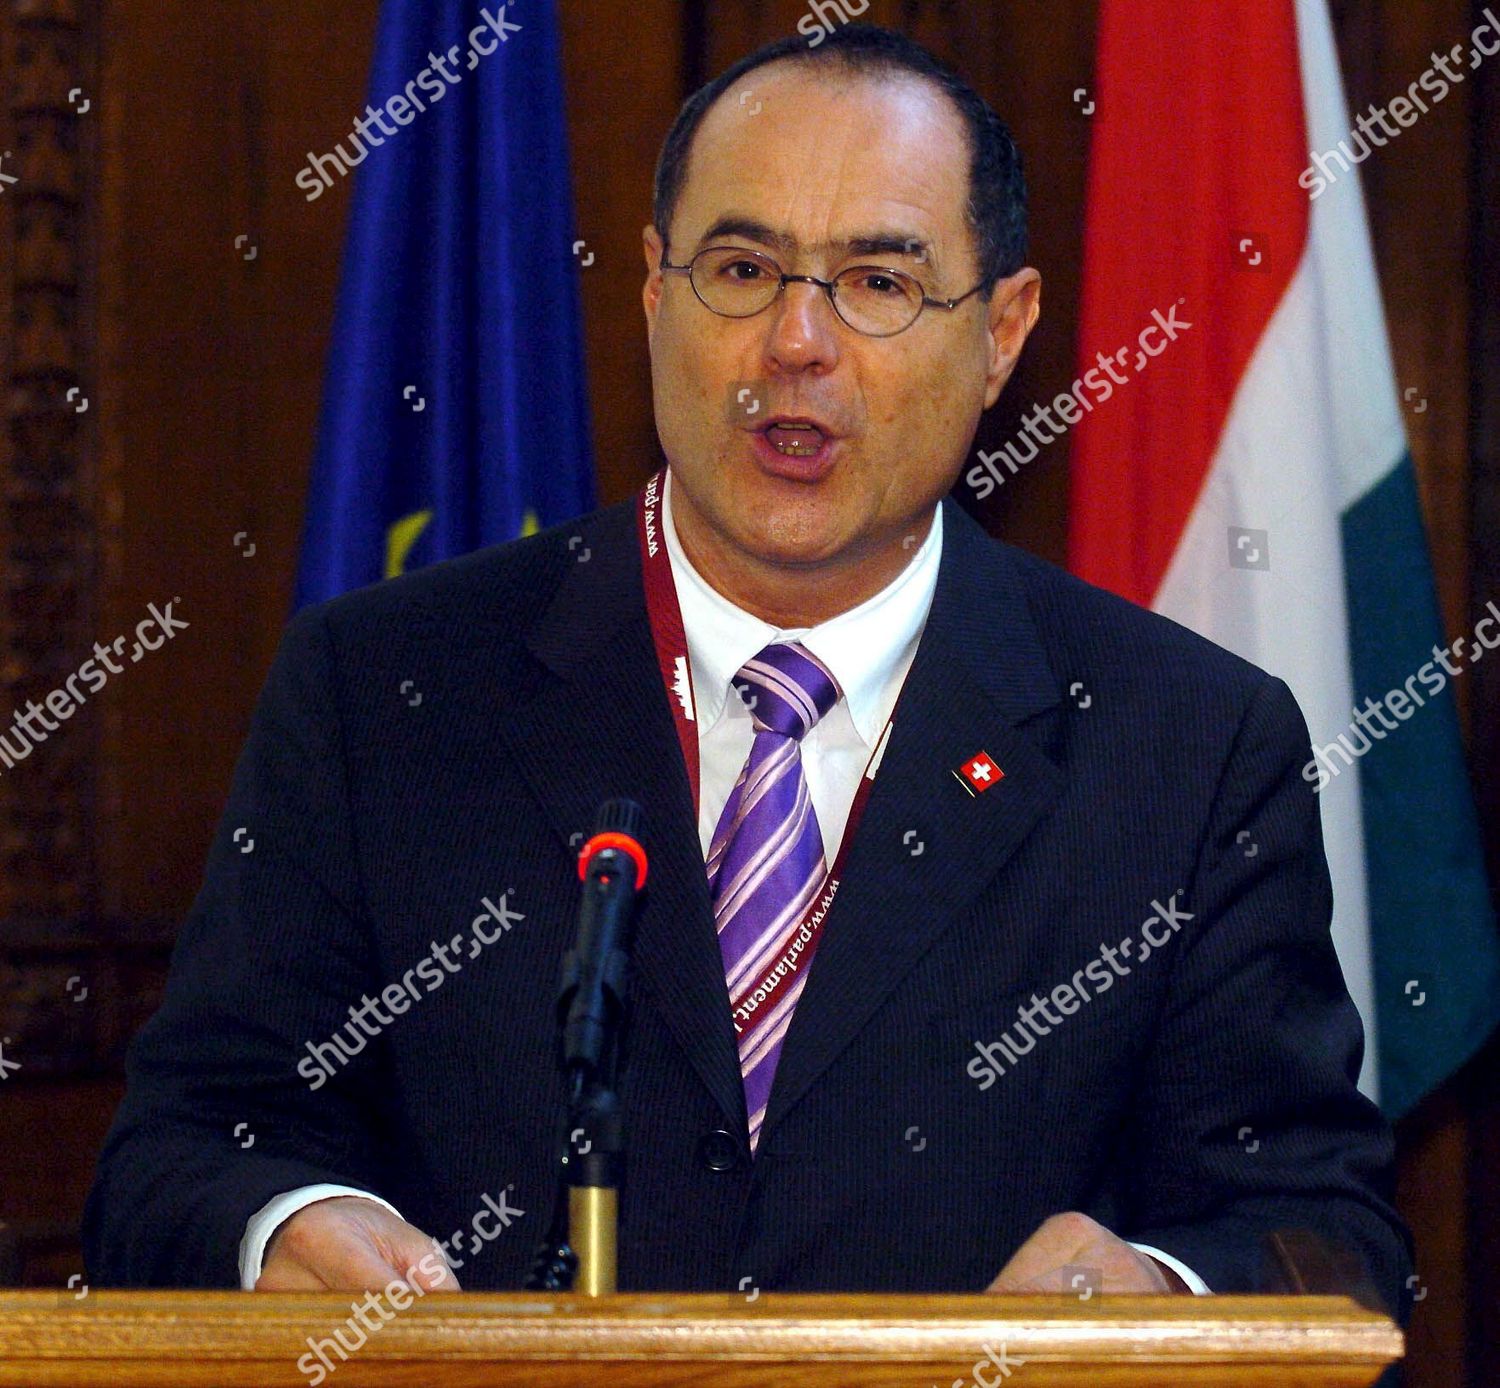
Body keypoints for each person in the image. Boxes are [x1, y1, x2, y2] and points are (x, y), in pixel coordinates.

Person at [84, 23, 1410, 1311]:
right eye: (741, 269)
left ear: (1004, 332)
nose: (796, 344)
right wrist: (288, 1220)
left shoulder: (1184, 744)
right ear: (656, 290)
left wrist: (1153, 1290)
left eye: (880, 284)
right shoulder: (381, 690)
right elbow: (183, 1152)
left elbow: (1315, 1223)